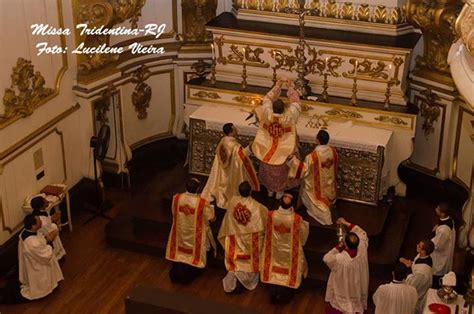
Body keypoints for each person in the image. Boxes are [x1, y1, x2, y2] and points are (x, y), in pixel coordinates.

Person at [251, 78, 301, 199]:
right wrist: (290, 87)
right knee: (281, 171)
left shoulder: (267, 113)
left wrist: (277, 86)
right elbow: (296, 103)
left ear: (273, 108)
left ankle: (269, 189)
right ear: (284, 108)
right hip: (282, 152)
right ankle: (279, 192)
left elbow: (267, 99)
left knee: (269, 169)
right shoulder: (289, 116)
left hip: (268, 150)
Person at [0, 214, 63, 304]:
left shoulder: (26, 232)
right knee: (39, 287)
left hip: (33, 260)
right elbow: (45, 255)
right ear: (33, 226)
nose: (41, 221)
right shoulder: (32, 243)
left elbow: (39, 243)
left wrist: (45, 240)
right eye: (39, 221)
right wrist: (49, 241)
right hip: (37, 267)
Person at [219, 181, 268, 293]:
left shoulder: (232, 202)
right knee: (251, 256)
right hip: (250, 239)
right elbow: (265, 221)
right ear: (251, 191)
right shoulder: (258, 207)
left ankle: (236, 274)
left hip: (235, 236)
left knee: (236, 252)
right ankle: (244, 277)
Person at [260, 194, 309, 303]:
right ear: (292, 205)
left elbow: (264, 228)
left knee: (274, 267)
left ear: (280, 203)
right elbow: (303, 235)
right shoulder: (296, 219)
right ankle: (285, 293)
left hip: (274, 249)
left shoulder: (270, 215)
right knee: (289, 269)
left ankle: (274, 291)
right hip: (289, 251)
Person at [166, 178, 216, 284]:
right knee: (205, 244)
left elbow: (173, 212)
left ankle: (179, 269)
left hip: (180, 231)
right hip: (195, 234)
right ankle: (192, 270)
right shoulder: (201, 203)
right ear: (198, 189)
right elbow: (210, 217)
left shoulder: (177, 198)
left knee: (181, 250)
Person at [202, 123, 259, 209]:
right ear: (231, 132)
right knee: (230, 186)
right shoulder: (235, 146)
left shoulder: (222, 141)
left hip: (222, 170)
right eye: (235, 129)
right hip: (231, 172)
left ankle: (220, 196)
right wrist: (250, 148)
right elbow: (242, 157)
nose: (237, 130)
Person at [288, 129, 338, 225]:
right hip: (329, 184)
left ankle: (322, 214)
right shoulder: (333, 151)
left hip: (316, 187)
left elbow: (303, 171)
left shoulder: (312, 157)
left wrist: (293, 160)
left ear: (317, 140)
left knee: (314, 199)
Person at [323, 217, 369, 314]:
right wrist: (345, 223)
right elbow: (362, 232)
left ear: (346, 245)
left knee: (344, 294)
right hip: (357, 280)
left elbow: (326, 258)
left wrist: (338, 246)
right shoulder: (363, 247)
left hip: (343, 283)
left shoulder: (340, 259)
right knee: (354, 291)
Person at [400, 239, 434, 313]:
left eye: (419, 246)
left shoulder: (422, 272)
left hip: (417, 296)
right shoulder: (423, 256)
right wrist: (408, 263)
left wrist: (408, 268)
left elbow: (412, 285)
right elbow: (415, 265)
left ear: (423, 251)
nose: (417, 245)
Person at [30, 196, 66, 260]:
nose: (47, 201)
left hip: (46, 231)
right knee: (54, 228)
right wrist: (56, 225)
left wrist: (52, 218)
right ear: (41, 206)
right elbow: (50, 232)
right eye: (45, 201)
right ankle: (57, 256)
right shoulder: (42, 222)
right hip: (44, 239)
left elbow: (47, 220)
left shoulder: (38, 212)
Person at [431, 201, 456, 287]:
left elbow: (437, 245)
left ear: (442, 213)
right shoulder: (449, 219)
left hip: (441, 257)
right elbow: (442, 223)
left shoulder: (444, 230)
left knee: (437, 275)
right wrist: (438, 225)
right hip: (444, 243)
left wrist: (426, 244)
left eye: (438, 209)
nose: (436, 209)